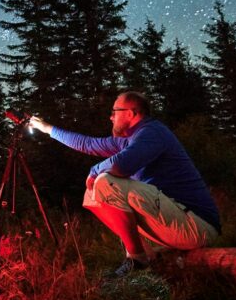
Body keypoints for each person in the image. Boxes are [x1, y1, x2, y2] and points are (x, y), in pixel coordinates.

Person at [28, 91, 221, 277]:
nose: (111, 117)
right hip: (174, 221)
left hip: (197, 226)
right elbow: (86, 144)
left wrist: (95, 171)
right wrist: (47, 128)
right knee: (92, 193)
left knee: (105, 182)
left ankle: (136, 259)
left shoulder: (152, 132)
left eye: (114, 112)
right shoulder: (127, 140)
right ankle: (145, 254)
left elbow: (121, 165)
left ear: (130, 113)